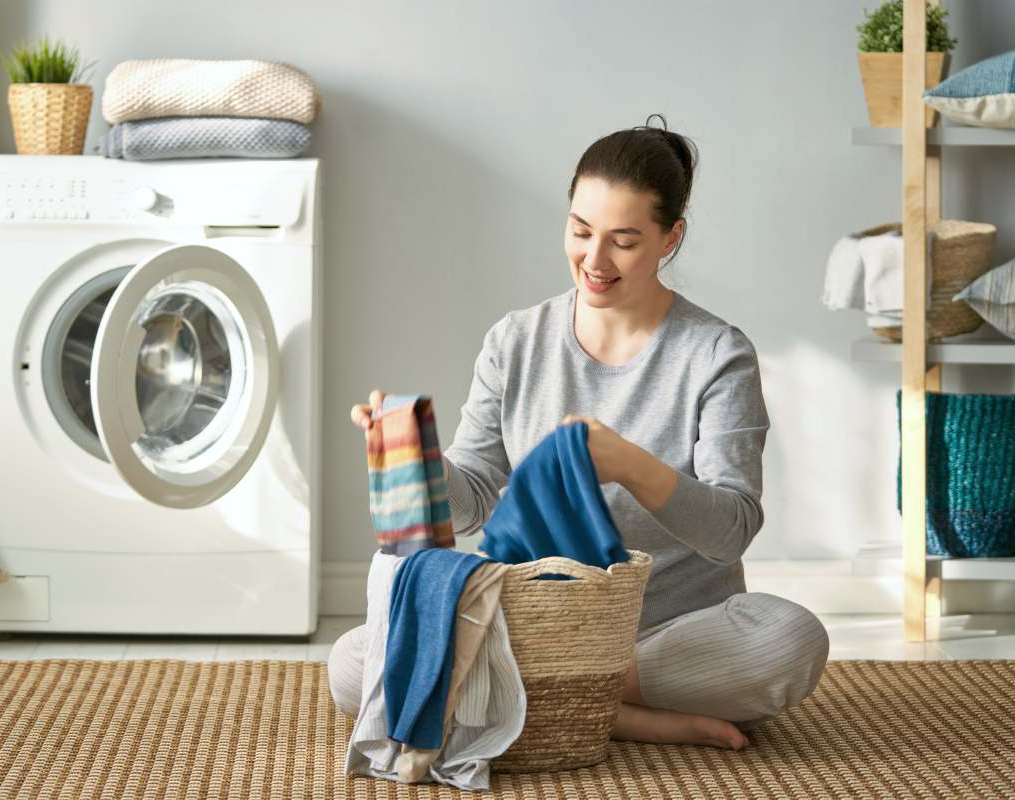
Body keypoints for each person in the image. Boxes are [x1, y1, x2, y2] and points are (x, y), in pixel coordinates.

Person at [333, 114, 829, 750]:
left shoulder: (716, 353)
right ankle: (615, 716)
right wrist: (420, 459)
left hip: (663, 633)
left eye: (623, 240)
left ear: (670, 237)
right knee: (351, 663)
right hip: (527, 626)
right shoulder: (515, 341)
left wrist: (625, 463)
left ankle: (525, 700)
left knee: (790, 640)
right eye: (579, 231)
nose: (594, 260)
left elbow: (732, 529)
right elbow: (474, 500)